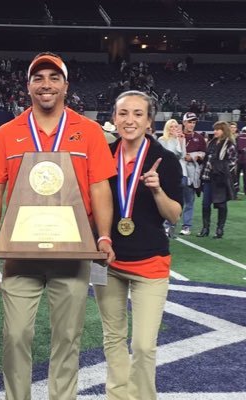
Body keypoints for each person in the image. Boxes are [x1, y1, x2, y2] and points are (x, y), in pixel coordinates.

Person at [0, 52, 115, 400]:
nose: (46, 84)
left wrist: (102, 235)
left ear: (66, 86)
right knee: (16, 335)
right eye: (39, 78)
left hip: (73, 251)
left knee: (68, 337)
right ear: (28, 86)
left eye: (54, 77)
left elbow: (100, 186)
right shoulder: (9, 132)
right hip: (20, 252)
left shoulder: (89, 131)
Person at [94, 90, 183, 400]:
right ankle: (117, 396)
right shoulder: (102, 155)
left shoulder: (166, 160)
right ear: (114, 119)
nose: (129, 119)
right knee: (113, 339)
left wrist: (158, 191)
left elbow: (174, 215)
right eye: (123, 113)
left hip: (150, 262)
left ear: (148, 121)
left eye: (137, 114)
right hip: (106, 260)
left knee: (144, 345)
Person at [197, 121, 237, 238]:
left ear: (223, 131)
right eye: (214, 129)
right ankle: (205, 228)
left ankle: (220, 229)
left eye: (217, 129)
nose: (215, 131)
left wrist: (219, 169)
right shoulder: (212, 143)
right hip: (208, 178)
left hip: (220, 180)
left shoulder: (229, 145)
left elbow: (232, 162)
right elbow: (207, 159)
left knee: (221, 205)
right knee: (205, 204)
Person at [158, 119, 186, 238]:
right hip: (165, 173)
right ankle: (164, 225)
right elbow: (167, 155)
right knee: (165, 198)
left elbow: (181, 155)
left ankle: (172, 226)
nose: (174, 129)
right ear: (167, 128)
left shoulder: (180, 139)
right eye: (172, 127)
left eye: (176, 127)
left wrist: (179, 141)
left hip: (178, 172)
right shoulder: (162, 140)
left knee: (177, 199)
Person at [180, 112, 206, 235]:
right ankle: (169, 225)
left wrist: (194, 156)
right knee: (174, 199)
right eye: (189, 122)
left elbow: (204, 154)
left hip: (191, 172)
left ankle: (186, 226)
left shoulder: (199, 138)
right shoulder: (177, 135)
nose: (192, 124)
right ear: (184, 122)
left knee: (189, 200)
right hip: (177, 171)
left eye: (194, 122)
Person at [236, 126, 246, 195]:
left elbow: (235, 148)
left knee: (236, 176)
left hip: (238, 160)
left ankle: (236, 189)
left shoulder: (238, 138)